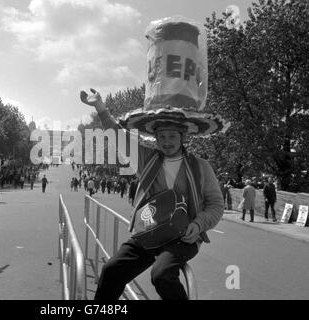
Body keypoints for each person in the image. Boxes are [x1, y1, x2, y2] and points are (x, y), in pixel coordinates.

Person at [80, 17, 228, 300]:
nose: (167, 141)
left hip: (183, 238)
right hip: (148, 232)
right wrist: (100, 107)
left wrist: (198, 226)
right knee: (111, 270)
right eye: (162, 136)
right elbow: (117, 134)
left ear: (183, 137)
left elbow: (216, 205)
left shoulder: (200, 167)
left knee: (161, 275)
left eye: (172, 136)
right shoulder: (146, 158)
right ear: (155, 137)